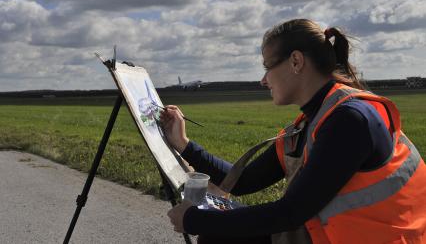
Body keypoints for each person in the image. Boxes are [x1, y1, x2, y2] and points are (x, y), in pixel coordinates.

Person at [160, 19, 426, 244]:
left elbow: (291, 212)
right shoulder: (313, 121)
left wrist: (195, 219)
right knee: (219, 230)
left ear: (296, 61)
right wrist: (183, 143)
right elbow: (242, 181)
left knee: (218, 229)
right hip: (334, 234)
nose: (263, 80)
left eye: (267, 68)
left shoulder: (349, 120)